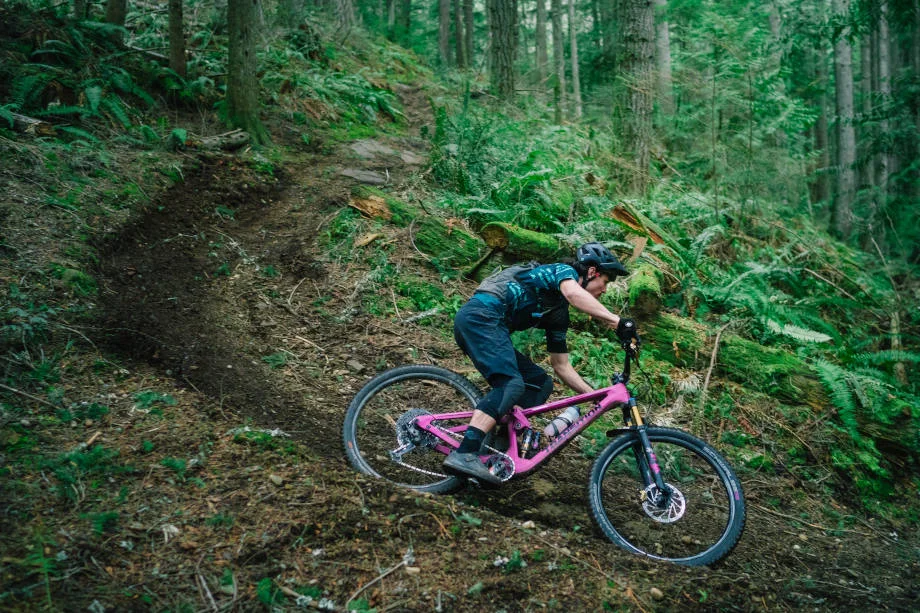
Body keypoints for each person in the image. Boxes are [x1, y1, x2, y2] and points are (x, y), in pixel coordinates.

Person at [444, 242, 638, 484]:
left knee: (539, 383)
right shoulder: (560, 271)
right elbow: (573, 294)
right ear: (592, 272)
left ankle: (496, 447)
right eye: (605, 281)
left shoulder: (558, 313)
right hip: (481, 317)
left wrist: (596, 397)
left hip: (492, 327)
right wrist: (616, 321)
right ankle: (465, 452)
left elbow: (561, 365)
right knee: (511, 384)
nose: (605, 290)